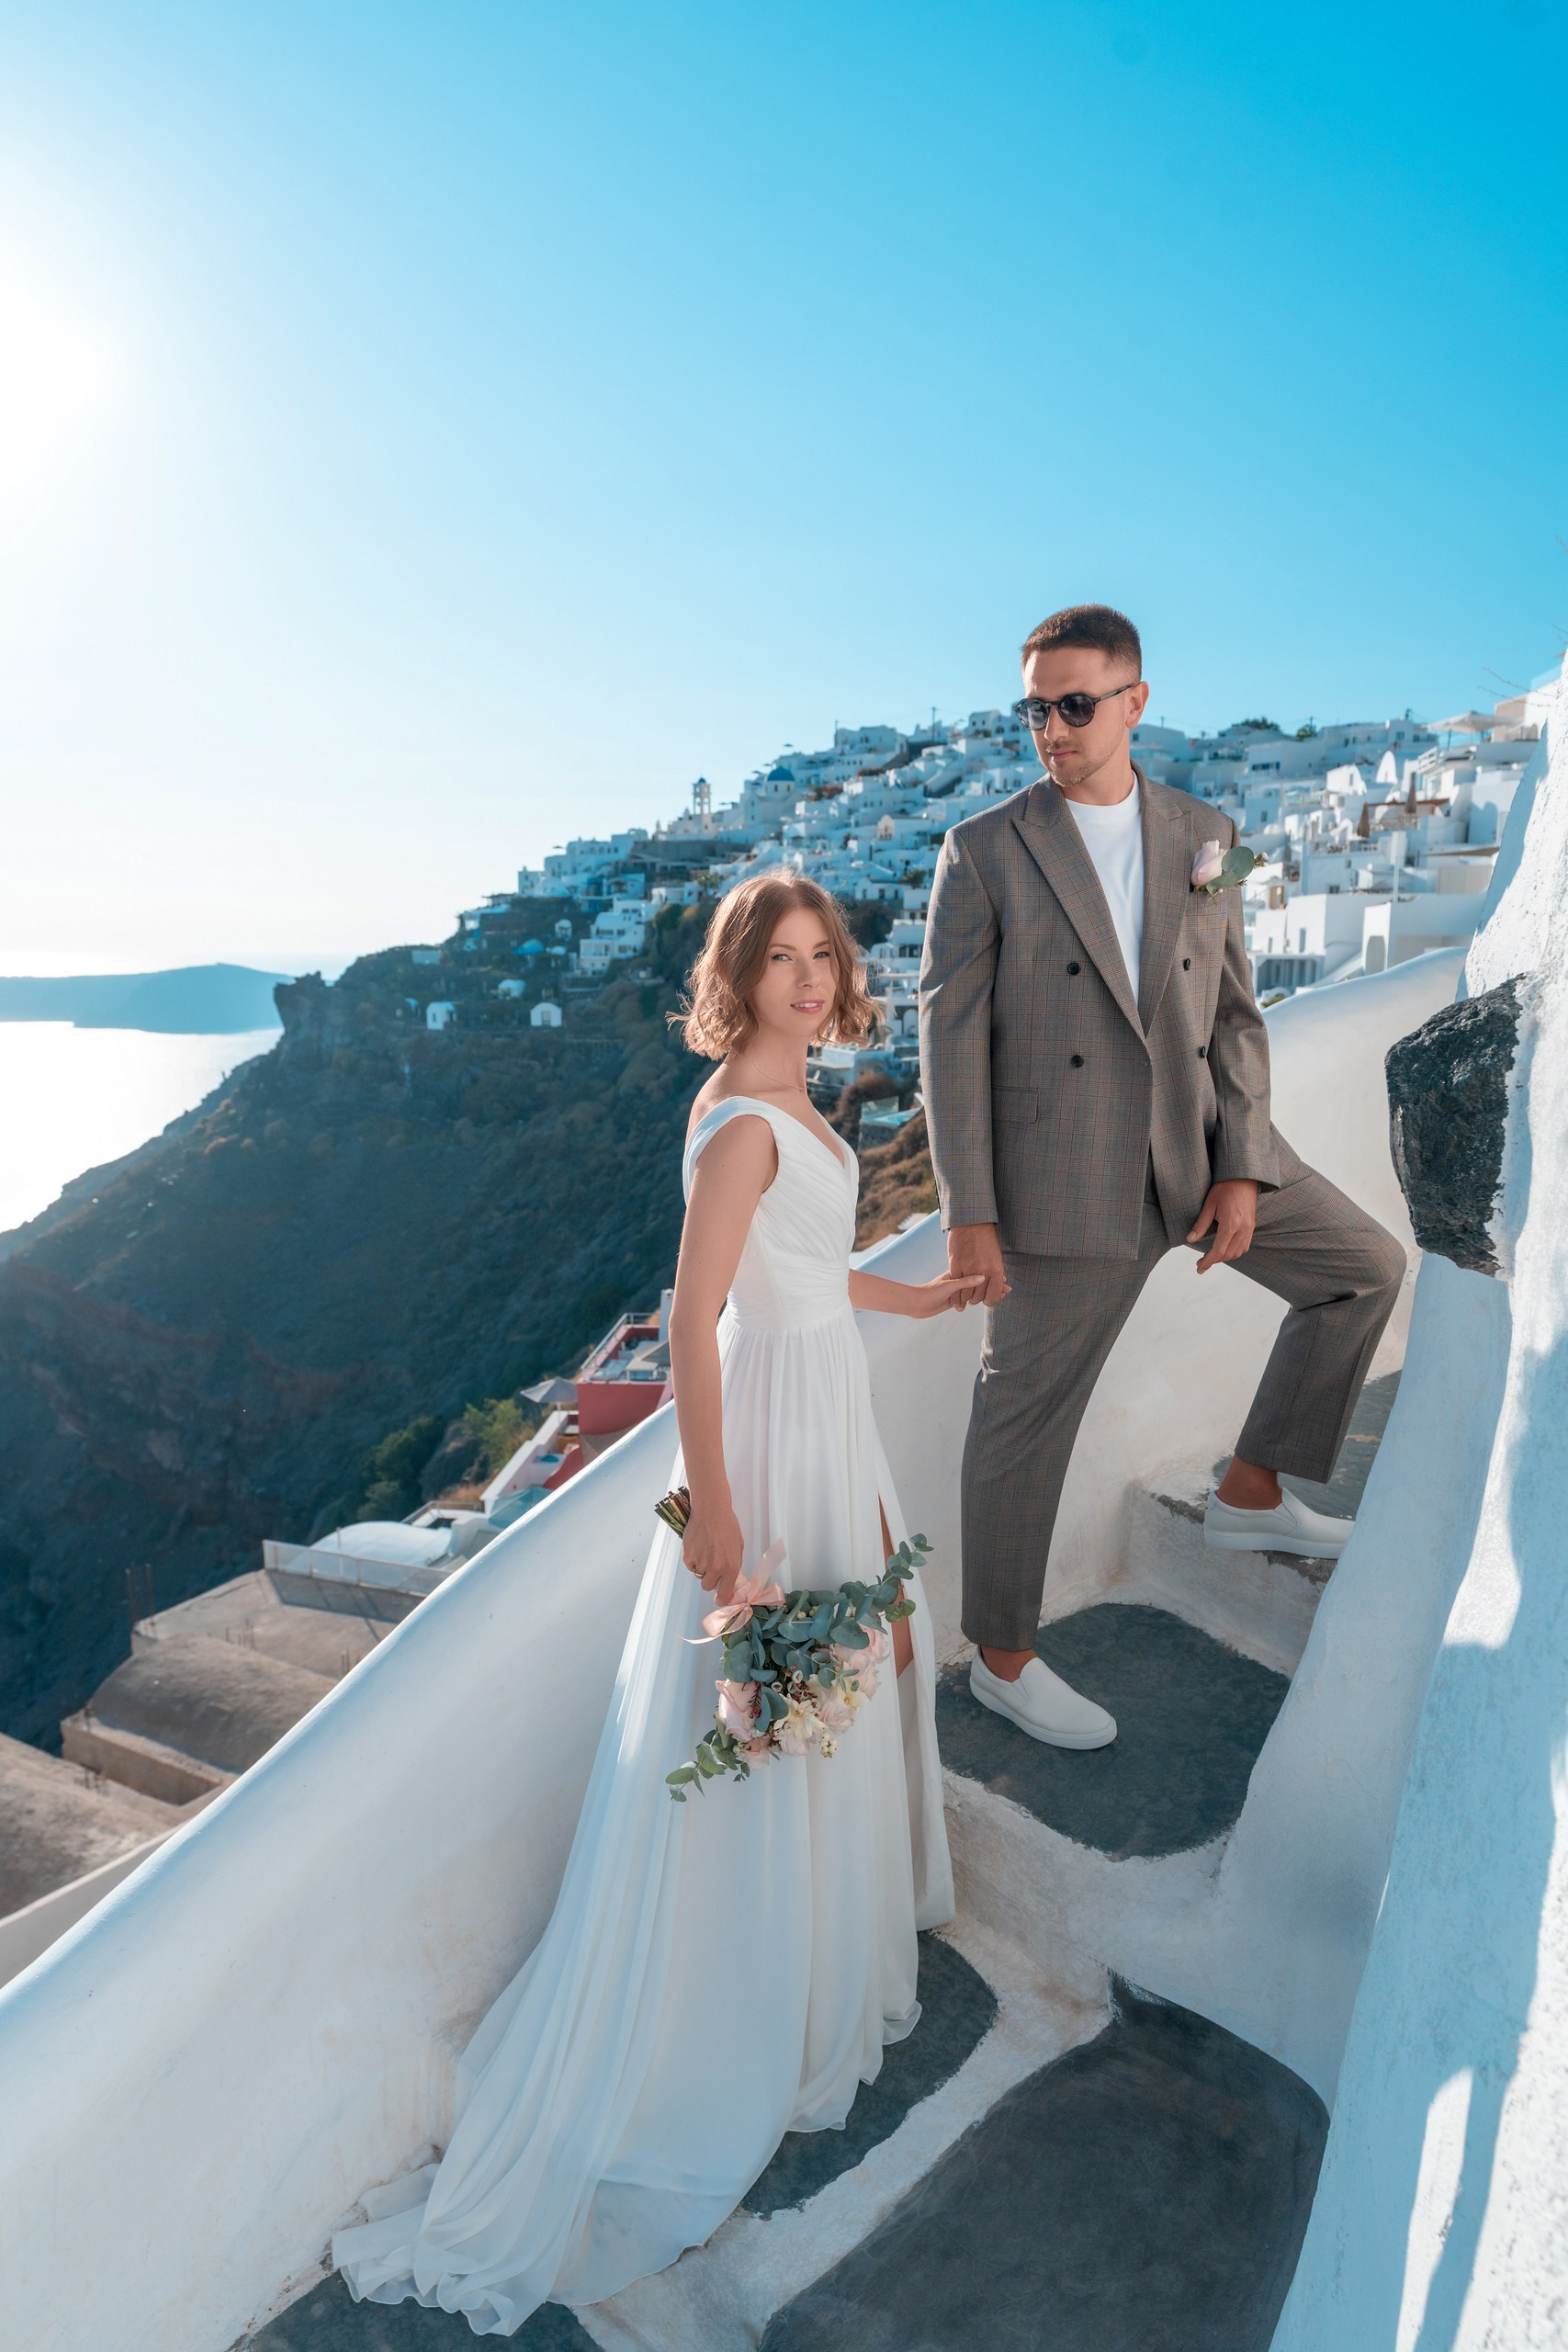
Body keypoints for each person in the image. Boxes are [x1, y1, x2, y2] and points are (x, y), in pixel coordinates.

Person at [333, 870, 963, 2335]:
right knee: (775, 1698)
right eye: (779, 960)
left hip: (823, 1404)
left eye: (822, 956)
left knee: (844, 1667)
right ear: (735, 978)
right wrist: (719, 1507)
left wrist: (915, 1297)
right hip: (769, 1431)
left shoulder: (793, 1099)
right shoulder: (742, 1121)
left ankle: (811, 1943)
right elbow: (694, 1318)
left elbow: (803, 1276)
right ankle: (743, 1995)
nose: (807, 979)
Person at [919, 603, 1407, 1752]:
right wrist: (968, 1214)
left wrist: (1244, 1168)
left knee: (1365, 1269)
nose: (1052, 728)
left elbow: (1235, 1014)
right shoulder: (982, 848)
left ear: (1135, 702)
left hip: (1197, 1154)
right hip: (1061, 1182)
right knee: (1021, 1421)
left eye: (1073, 704)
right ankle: (1003, 1660)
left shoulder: (1209, 830)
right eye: (1034, 709)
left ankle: (1252, 1490)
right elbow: (948, 1042)